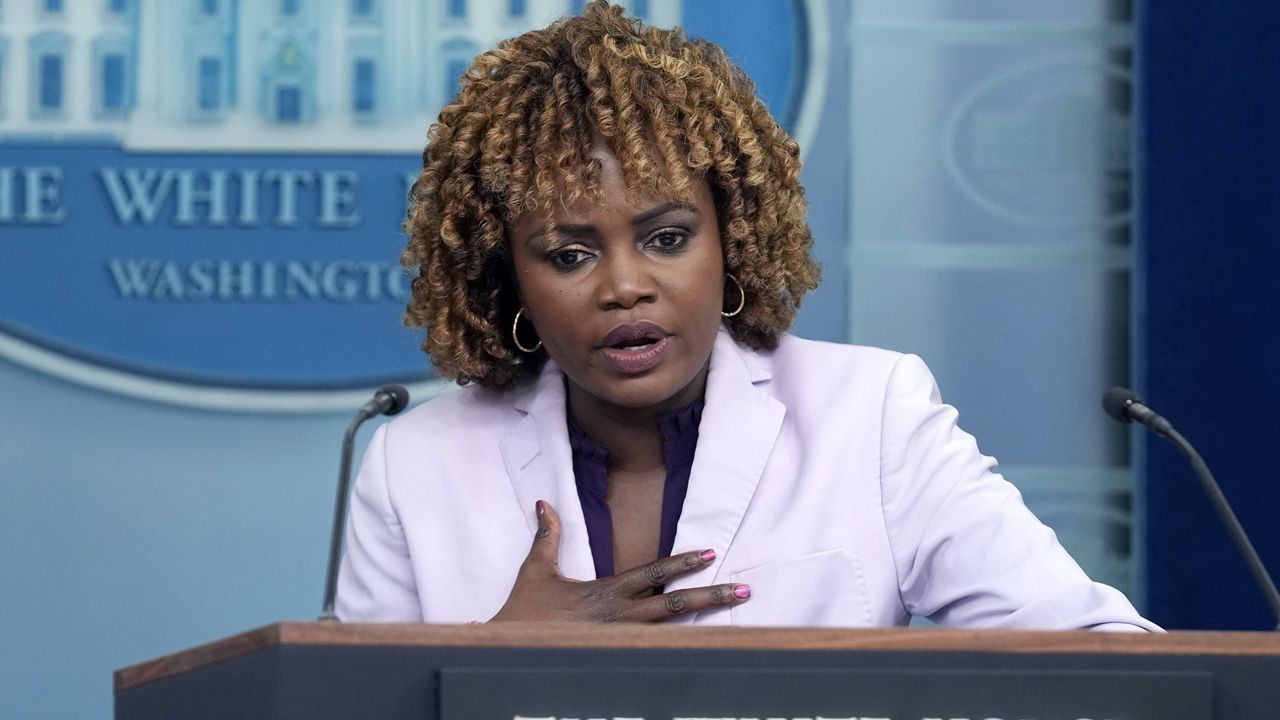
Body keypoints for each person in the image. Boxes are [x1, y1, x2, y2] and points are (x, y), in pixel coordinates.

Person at [335, 1, 1157, 630]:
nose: (624, 286)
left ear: (731, 237)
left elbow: (1099, 654)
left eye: (665, 237)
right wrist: (492, 664)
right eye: (569, 254)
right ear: (508, 275)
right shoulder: (415, 467)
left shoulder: (871, 416)